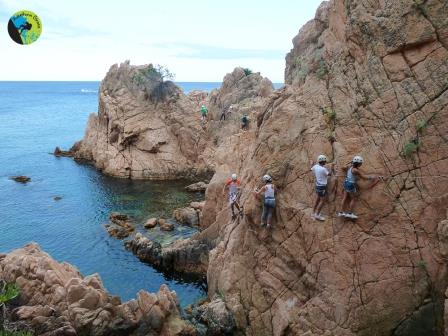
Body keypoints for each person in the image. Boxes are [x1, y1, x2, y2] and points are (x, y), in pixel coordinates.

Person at [311, 155, 335, 221]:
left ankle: (313, 213)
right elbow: (329, 174)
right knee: (322, 201)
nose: (325, 162)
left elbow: (311, 169)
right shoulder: (323, 169)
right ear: (323, 161)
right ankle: (317, 215)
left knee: (317, 199)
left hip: (317, 185)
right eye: (325, 161)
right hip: (322, 187)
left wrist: (312, 164)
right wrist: (332, 168)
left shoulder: (315, 166)